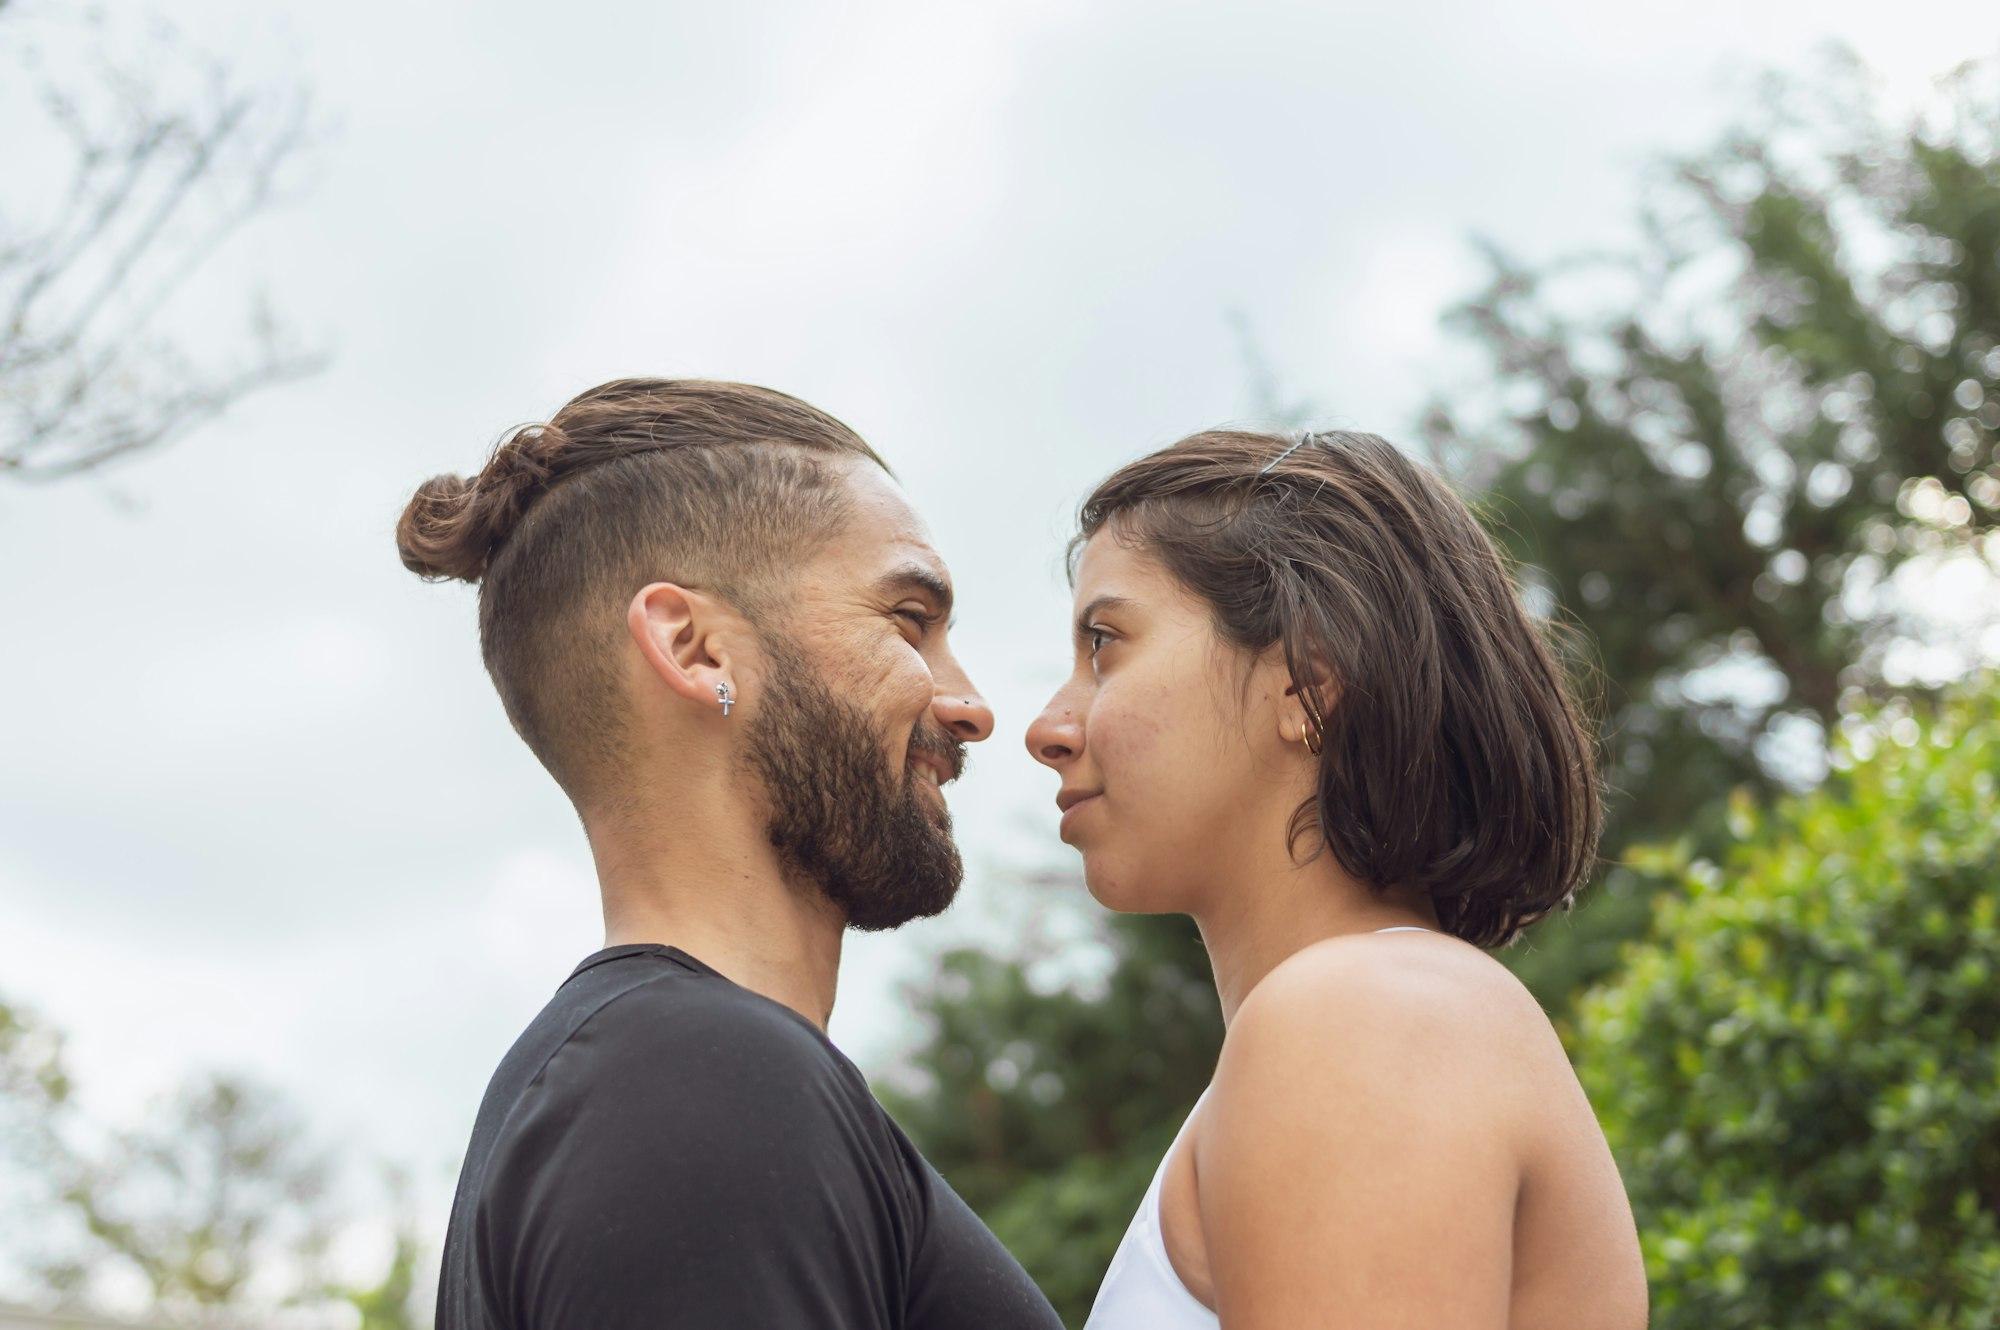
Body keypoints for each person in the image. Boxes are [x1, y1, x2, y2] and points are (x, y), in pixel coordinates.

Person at [398, 378, 1062, 1330]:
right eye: (908, 621)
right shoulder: (695, 1083)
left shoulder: (632, 1080)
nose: (970, 705)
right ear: (695, 648)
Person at [1027, 428, 1649, 1329]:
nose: (1048, 726)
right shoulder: (1376, 1014)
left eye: (1105, 643)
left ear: (1306, 686)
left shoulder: (1365, 1018)